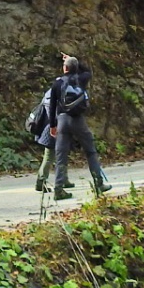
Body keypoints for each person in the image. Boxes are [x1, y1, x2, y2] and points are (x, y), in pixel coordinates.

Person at [51, 54, 110, 201]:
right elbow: (88, 71)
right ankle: (98, 183)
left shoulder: (57, 83)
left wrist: (53, 125)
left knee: (61, 156)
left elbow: (52, 105)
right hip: (78, 120)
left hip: (62, 120)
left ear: (64, 68)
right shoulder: (82, 79)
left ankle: (58, 189)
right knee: (90, 151)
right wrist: (74, 59)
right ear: (76, 68)